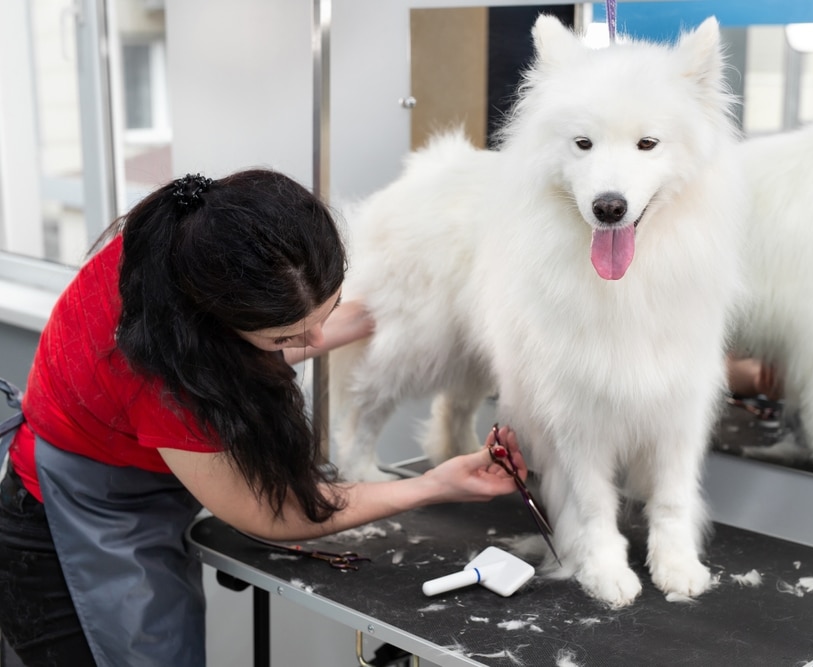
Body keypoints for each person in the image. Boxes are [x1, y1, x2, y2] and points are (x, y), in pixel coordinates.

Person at [0, 170, 526, 667]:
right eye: (286, 340)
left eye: (329, 307)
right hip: (70, 520)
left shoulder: (195, 239)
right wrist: (431, 487)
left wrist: (396, 312)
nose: (315, 345)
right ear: (217, 324)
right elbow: (273, 512)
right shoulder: (166, 381)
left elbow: (278, 337)